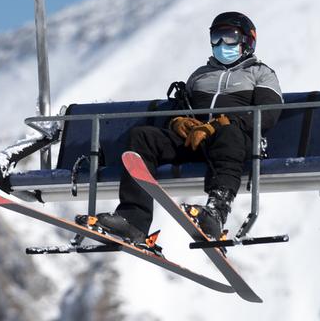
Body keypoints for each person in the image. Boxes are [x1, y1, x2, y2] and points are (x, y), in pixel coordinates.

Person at [95, 12, 283, 243]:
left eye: (229, 37)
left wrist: (222, 123)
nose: (222, 44)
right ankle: (134, 219)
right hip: (197, 142)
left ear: (247, 41)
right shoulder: (200, 76)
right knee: (142, 137)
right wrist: (179, 121)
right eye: (216, 38)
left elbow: (267, 114)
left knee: (228, 134)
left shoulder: (261, 73)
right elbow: (181, 110)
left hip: (236, 143)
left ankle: (216, 211)